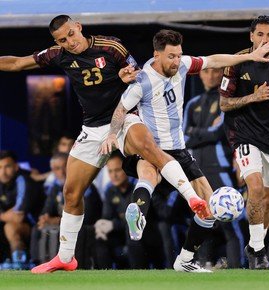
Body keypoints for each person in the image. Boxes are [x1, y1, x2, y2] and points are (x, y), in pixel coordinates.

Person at [0, 15, 211, 273]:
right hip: (92, 128)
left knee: (151, 151)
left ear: (78, 26)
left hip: (124, 119)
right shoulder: (58, 54)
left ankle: (192, 199)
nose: (69, 42)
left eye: (70, 34)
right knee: (71, 192)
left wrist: (125, 76)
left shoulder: (111, 47)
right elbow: (18, 63)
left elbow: (138, 76)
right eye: (62, 39)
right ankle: (66, 258)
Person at [101, 29, 269, 272]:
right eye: (171, 56)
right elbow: (120, 110)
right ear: (157, 54)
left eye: (178, 55)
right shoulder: (143, 81)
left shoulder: (182, 64)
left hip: (179, 149)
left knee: (210, 206)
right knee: (149, 174)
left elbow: (213, 60)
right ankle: (138, 214)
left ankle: (184, 259)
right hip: (152, 148)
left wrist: (250, 57)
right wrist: (111, 134)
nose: (176, 61)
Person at [219, 15, 269, 269]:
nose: (264, 39)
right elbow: (224, 104)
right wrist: (253, 97)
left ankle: (255, 244)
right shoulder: (237, 63)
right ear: (251, 36)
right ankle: (258, 252)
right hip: (244, 135)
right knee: (256, 189)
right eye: (259, 34)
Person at [183, 68, 243, 268]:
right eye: (206, 71)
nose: (210, 75)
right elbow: (183, 138)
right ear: (200, 75)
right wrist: (203, 133)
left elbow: (219, 133)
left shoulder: (226, 101)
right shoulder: (192, 104)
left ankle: (239, 270)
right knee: (203, 221)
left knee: (230, 222)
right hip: (196, 171)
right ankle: (203, 267)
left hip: (220, 169)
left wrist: (195, 132)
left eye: (214, 71)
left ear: (221, 75)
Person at [94, 151, 164, 269]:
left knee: (132, 229)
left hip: (146, 235)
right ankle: (103, 277)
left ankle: (138, 274)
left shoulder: (140, 188)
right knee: (98, 237)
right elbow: (107, 217)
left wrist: (114, 224)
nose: (114, 175)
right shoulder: (110, 191)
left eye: (117, 170)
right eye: (110, 171)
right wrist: (101, 226)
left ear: (126, 170)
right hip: (120, 235)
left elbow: (142, 219)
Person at [0, 150, 44, 270]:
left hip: (34, 227)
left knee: (10, 227)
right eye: (0, 167)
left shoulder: (23, 181)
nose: (3, 172)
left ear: (15, 167)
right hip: (9, 224)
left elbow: (18, 217)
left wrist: (2, 215)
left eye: (7, 166)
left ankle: (20, 262)